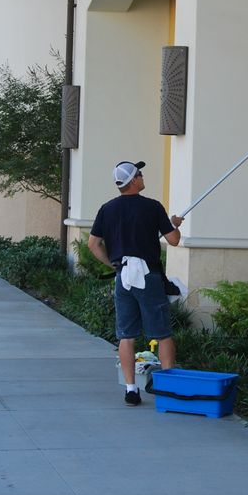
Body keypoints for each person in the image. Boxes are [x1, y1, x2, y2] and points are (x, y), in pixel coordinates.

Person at [88, 160, 184, 406]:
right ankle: (167, 388)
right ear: (133, 181)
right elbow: (173, 240)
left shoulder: (106, 209)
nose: (143, 177)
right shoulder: (152, 207)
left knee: (127, 336)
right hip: (148, 277)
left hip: (123, 278)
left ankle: (131, 389)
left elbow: (93, 244)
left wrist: (114, 265)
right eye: (140, 174)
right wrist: (173, 224)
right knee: (162, 334)